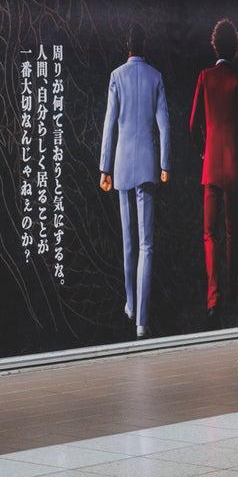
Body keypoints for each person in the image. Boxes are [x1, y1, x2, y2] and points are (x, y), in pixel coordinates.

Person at [100, 25, 171, 338]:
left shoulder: (116, 76)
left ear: (126, 47)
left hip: (121, 165)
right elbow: (164, 125)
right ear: (145, 47)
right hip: (147, 164)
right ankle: (142, 319)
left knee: (128, 242)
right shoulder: (156, 77)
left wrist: (104, 168)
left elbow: (109, 124)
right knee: (146, 245)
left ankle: (130, 303)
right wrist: (165, 164)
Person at [189, 18, 238, 327]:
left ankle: (213, 298)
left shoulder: (204, 78)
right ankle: (232, 289)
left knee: (209, 234)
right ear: (235, 48)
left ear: (215, 45)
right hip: (233, 166)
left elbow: (193, 123)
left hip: (210, 168)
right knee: (233, 231)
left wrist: (203, 150)